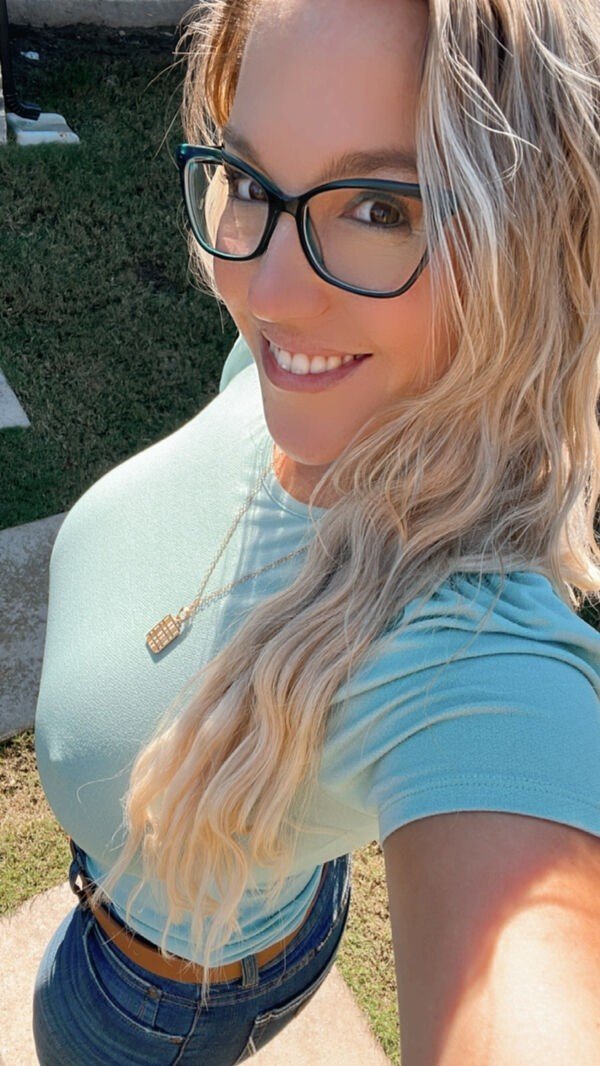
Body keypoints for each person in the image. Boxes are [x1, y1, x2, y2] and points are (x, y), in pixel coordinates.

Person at [32, 0, 600, 1063]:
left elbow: (528, 972)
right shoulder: (307, 381)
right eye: (250, 182)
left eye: (382, 208)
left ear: (533, 239)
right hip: (228, 911)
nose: (269, 292)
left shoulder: (474, 649)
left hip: (160, 1008)